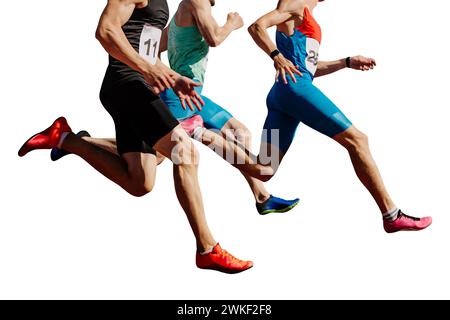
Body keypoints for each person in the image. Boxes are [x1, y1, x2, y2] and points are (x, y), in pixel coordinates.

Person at [18, 0, 253, 274]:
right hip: (125, 82)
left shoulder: (161, 3)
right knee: (184, 151)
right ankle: (207, 249)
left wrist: (169, 76)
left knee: (141, 182)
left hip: (137, 85)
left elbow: (148, 47)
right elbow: (105, 31)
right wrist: (149, 69)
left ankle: (66, 139)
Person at [50, 0, 300, 215]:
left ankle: (261, 196)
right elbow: (214, 38)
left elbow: (154, 45)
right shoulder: (196, 2)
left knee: (236, 132)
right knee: (158, 155)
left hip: (189, 91)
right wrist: (231, 25)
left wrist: (155, 66)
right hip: (179, 94)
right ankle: (77, 142)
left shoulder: (177, 8)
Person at [247, 0, 432, 232]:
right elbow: (256, 27)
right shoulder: (296, 3)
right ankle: (391, 215)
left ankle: (206, 134)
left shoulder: (305, 13)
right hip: (294, 89)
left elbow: (308, 67)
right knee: (358, 140)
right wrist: (277, 57)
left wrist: (346, 62)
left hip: (284, 92)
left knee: (264, 169)